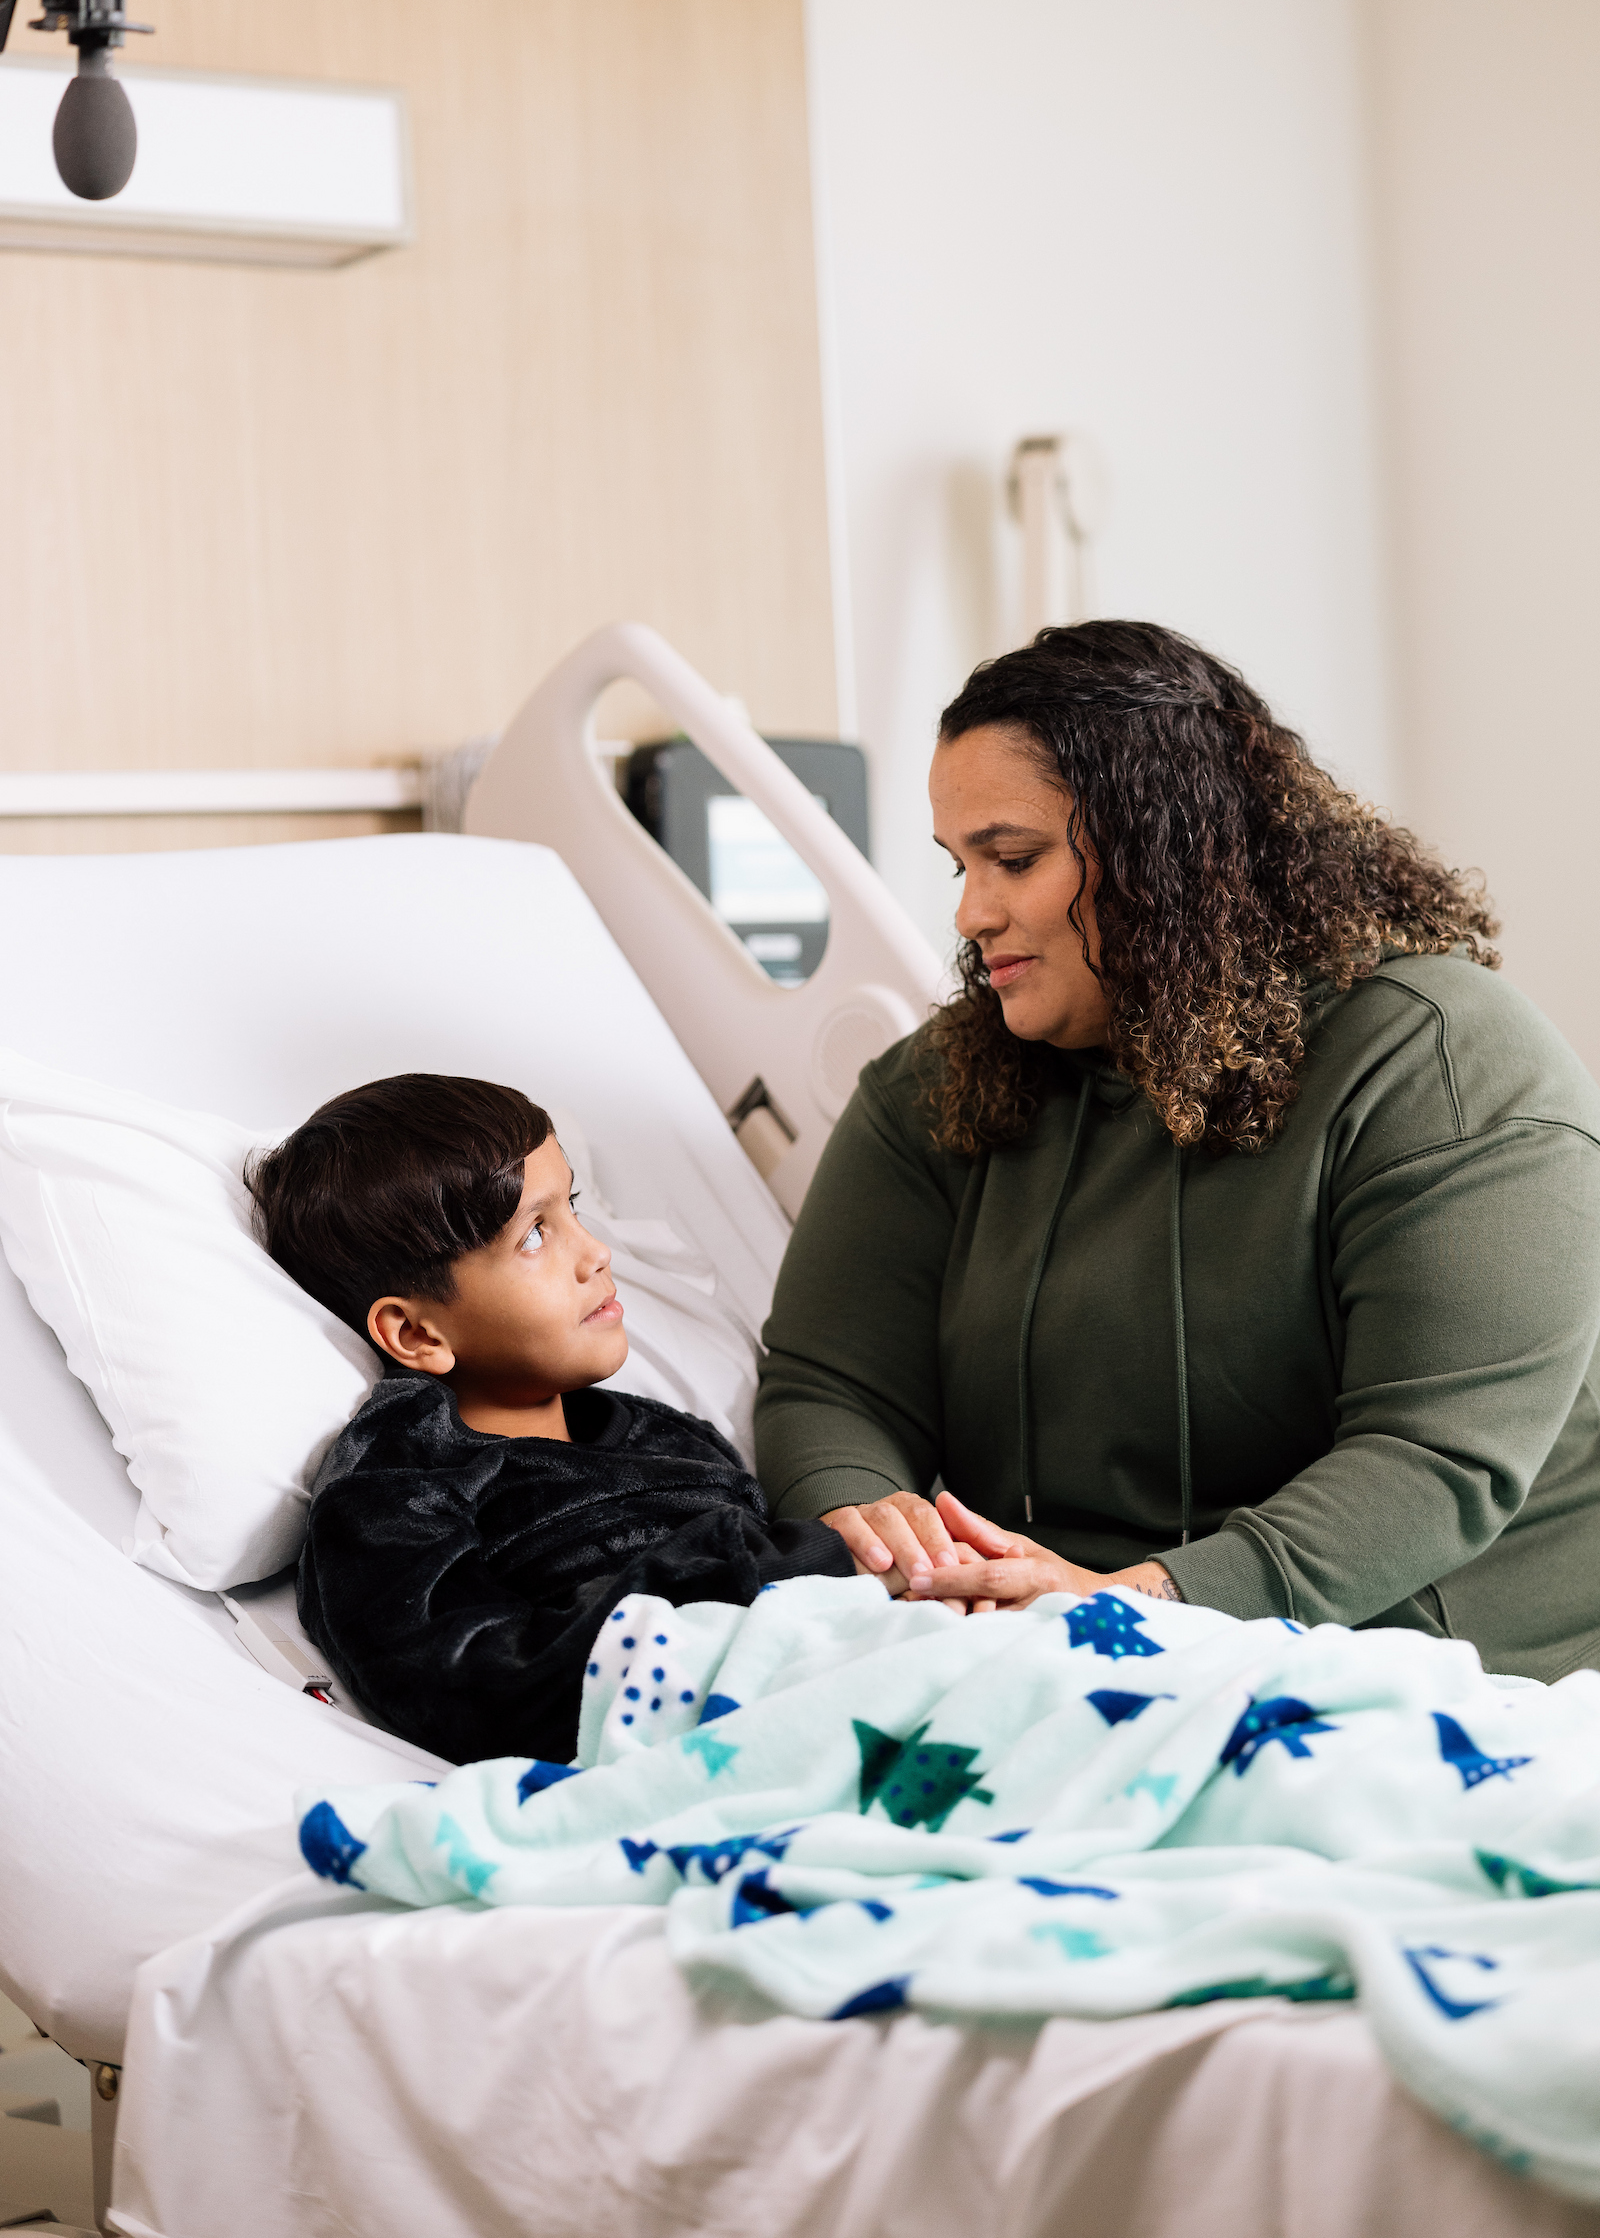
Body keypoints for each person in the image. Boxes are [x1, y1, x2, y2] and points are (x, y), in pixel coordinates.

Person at [755, 620, 1600, 1679]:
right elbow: (829, 1382)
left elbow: (1432, 1460)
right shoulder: (943, 1086)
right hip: (1051, 1649)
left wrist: (1129, 1607)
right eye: (959, 865)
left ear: (1168, 846)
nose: (971, 912)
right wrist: (889, 1545)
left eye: (1012, 859)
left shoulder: (1438, 1064)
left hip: (1411, 1661)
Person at [247, 1075, 858, 1764]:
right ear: (417, 1335)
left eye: (571, 1207)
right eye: (535, 1234)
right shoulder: (394, 1496)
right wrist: (810, 1560)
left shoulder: (671, 1438)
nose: (595, 1253)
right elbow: (487, 1694)